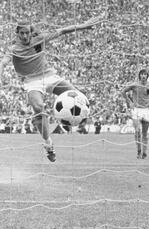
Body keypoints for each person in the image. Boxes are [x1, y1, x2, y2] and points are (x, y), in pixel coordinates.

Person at [0, 17, 103, 162]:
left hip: (49, 76)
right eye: (21, 33)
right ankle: (48, 144)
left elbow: (63, 30)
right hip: (31, 82)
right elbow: (3, 62)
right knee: (39, 107)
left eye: (27, 33)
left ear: (31, 32)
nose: (24, 36)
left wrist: (84, 26)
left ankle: (73, 123)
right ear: (17, 33)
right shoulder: (13, 49)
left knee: (77, 96)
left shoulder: (40, 38)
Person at [122, 69, 149, 159]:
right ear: (139, 76)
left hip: (146, 110)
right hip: (136, 110)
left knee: (145, 133)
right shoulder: (135, 84)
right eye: (141, 74)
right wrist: (129, 102)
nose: (143, 76)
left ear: (147, 76)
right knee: (137, 131)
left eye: (145, 74)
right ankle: (138, 151)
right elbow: (123, 91)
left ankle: (144, 153)